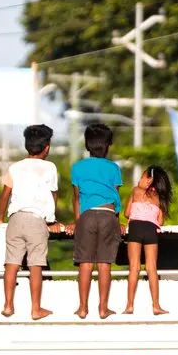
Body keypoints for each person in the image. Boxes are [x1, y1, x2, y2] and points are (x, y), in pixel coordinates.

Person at [0, 124, 66, 320]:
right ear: (47, 147)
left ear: (26, 146)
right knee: (36, 264)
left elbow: (4, 195)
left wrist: (0, 218)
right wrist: (51, 219)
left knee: (11, 263)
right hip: (36, 220)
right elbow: (53, 195)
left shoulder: (14, 167)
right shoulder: (50, 167)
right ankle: (36, 308)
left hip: (15, 218)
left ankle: (7, 305)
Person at [68, 124, 123, 320]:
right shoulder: (114, 167)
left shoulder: (78, 167)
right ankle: (103, 307)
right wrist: (118, 222)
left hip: (87, 215)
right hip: (108, 215)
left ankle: (82, 308)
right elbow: (115, 195)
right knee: (104, 262)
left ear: (87, 144)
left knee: (85, 263)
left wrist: (77, 221)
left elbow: (76, 197)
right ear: (108, 145)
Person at [123, 165, 174, 316]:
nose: (139, 179)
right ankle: (156, 306)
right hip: (151, 231)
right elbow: (161, 221)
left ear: (149, 179)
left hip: (135, 228)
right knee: (151, 268)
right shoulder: (159, 198)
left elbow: (127, 213)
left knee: (134, 267)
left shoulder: (135, 191)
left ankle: (130, 305)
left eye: (142, 176)